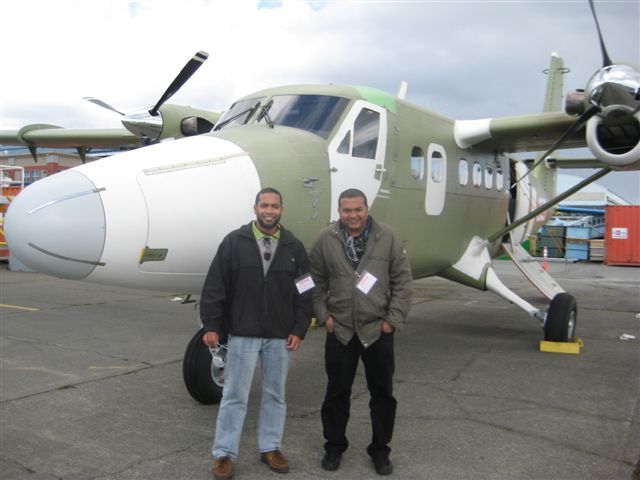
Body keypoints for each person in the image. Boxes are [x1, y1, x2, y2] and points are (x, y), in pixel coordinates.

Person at [200, 187, 313, 480]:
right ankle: (224, 454)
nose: (269, 211)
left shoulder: (293, 247)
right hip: (243, 333)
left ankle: (271, 447)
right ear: (255, 208)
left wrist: (299, 328)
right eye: (264, 205)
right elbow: (215, 285)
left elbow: (305, 292)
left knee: (275, 395)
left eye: (275, 206)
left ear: (281, 210)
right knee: (234, 395)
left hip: (280, 336)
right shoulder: (234, 242)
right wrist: (212, 325)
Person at [309, 188, 413, 476]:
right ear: (340, 212)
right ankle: (334, 446)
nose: (352, 216)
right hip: (340, 329)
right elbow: (315, 281)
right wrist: (324, 317)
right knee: (336, 393)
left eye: (358, 209)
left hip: (376, 329)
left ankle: (380, 451)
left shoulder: (387, 237)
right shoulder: (325, 239)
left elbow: (403, 282)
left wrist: (392, 320)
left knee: (382, 394)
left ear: (367, 209)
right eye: (346, 210)